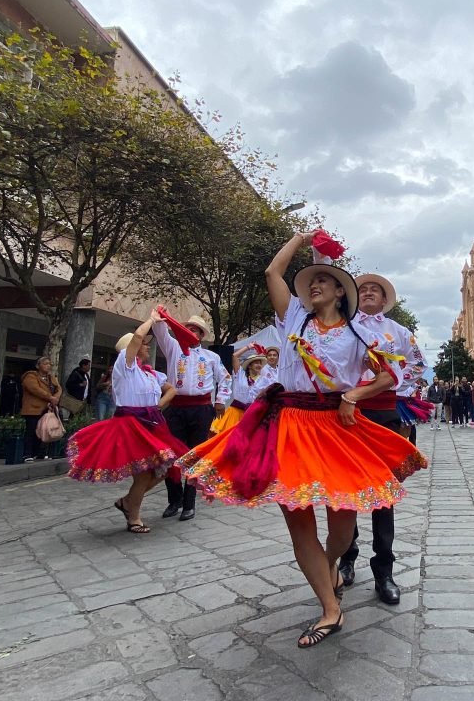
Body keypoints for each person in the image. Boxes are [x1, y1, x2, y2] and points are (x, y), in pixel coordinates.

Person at [177, 231, 428, 648]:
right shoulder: (293, 317)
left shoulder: (357, 335)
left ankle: (328, 567)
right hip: (288, 425)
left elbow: (389, 375)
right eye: (310, 282)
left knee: (342, 524)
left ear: (339, 292)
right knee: (298, 522)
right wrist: (298, 237)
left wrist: (353, 394)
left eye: (322, 281)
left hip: (336, 428)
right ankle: (331, 609)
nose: (313, 285)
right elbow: (273, 270)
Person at [339, 271, 426, 606]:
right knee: (345, 486)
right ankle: (347, 555)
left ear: (385, 298)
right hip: (347, 412)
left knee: (383, 489)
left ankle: (384, 570)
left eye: (375, 289)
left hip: (385, 411)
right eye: (363, 289)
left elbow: (417, 366)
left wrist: (395, 387)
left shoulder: (399, 332)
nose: (369, 293)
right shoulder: (342, 327)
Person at [67, 312, 182, 533]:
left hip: (151, 423)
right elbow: (139, 336)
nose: (147, 347)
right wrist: (152, 319)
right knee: (144, 473)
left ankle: (128, 502)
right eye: (144, 344)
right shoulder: (125, 366)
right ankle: (133, 516)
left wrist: (157, 407)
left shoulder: (149, 374)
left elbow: (171, 389)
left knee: (165, 468)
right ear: (133, 348)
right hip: (131, 425)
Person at [153, 313, 232, 522]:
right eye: (187, 328)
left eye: (194, 330)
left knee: (195, 456)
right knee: (170, 455)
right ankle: (174, 500)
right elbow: (160, 332)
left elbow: (225, 379)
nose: (190, 332)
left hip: (201, 409)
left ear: (200, 335)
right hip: (175, 408)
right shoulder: (173, 348)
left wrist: (220, 400)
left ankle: (189, 503)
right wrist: (160, 317)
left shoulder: (211, 357)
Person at [20, 356, 61, 461]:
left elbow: (59, 388)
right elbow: (35, 389)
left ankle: (40, 453)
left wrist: (55, 397)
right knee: (32, 431)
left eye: (49, 364)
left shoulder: (51, 377)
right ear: (38, 366)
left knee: (45, 430)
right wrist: (50, 397)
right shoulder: (30, 376)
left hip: (47, 408)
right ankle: (27, 454)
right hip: (33, 409)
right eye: (45, 363)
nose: (48, 366)